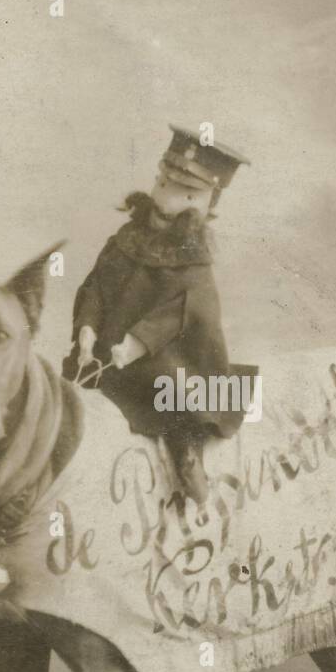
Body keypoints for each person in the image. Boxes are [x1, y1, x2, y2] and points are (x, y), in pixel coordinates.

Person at [62, 126, 256, 505]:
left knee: (177, 402)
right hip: (106, 353)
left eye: (187, 194)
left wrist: (137, 343)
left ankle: (188, 458)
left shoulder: (195, 261)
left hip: (169, 359)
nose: (169, 201)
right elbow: (97, 288)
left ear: (205, 203)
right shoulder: (124, 241)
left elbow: (185, 311)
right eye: (166, 184)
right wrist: (86, 329)